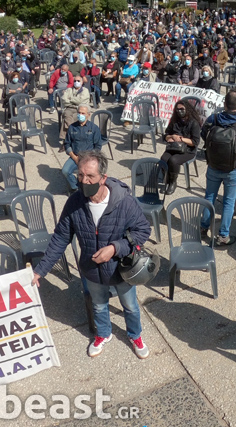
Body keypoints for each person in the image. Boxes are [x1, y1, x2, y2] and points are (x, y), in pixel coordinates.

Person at [31, 151, 152, 359]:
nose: (84, 181)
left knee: (130, 306)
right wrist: (40, 270)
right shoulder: (75, 203)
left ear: (103, 178)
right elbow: (60, 238)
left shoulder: (124, 201)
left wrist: (115, 248)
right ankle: (103, 333)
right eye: (80, 176)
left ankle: (135, 335)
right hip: (91, 270)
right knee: (98, 305)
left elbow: (143, 231)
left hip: (120, 269)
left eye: (90, 177)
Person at [201, 90, 236, 246]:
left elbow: (203, 133)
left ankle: (203, 227)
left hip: (213, 165)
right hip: (234, 168)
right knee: (228, 202)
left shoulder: (213, 119)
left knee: (209, 197)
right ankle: (223, 235)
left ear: (224, 104)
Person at [161, 100, 201, 195]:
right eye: (177, 109)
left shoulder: (194, 123)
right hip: (173, 147)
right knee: (163, 159)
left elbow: (195, 142)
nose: (179, 111)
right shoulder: (175, 121)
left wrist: (181, 139)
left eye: (182, 109)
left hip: (188, 150)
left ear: (187, 109)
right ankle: (166, 180)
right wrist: (170, 137)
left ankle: (173, 182)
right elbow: (165, 135)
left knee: (173, 160)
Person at [62, 106, 102, 192]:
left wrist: (91, 158)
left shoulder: (94, 128)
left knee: (88, 174)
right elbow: (67, 144)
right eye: (79, 113)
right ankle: (75, 187)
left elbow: (98, 146)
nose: (80, 115)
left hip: (89, 157)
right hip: (75, 156)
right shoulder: (72, 127)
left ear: (88, 115)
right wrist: (74, 157)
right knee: (65, 171)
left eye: (83, 113)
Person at [60, 75, 92, 140]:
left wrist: (70, 99)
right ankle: (73, 132)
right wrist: (74, 101)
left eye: (78, 81)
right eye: (75, 81)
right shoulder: (69, 90)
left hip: (81, 109)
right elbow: (63, 99)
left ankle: (66, 139)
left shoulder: (85, 90)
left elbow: (80, 101)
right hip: (70, 108)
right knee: (66, 114)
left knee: (65, 121)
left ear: (82, 82)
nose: (76, 82)